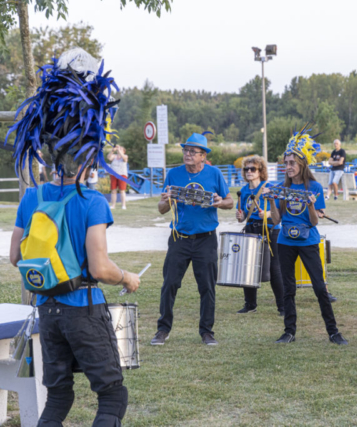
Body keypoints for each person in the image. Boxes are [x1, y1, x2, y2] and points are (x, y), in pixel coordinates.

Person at [7, 48, 140, 426]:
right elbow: (99, 266)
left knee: (59, 397)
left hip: (46, 311)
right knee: (113, 396)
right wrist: (127, 277)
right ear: (88, 152)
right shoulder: (93, 201)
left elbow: (16, 257)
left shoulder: (32, 196)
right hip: (83, 307)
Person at [266, 127, 348, 345]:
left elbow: (314, 222)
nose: (288, 167)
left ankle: (333, 332)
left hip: (309, 241)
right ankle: (289, 332)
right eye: (286, 163)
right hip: (285, 242)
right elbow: (275, 221)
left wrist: (311, 205)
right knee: (288, 288)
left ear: (302, 164)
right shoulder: (280, 187)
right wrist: (271, 200)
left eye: (292, 163)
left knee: (320, 288)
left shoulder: (314, 187)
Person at [151, 132, 233, 346]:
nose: (187, 154)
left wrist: (218, 202)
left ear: (203, 156)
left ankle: (207, 331)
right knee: (169, 283)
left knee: (206, 286)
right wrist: (166, 201)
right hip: (179, 237)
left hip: (206, 238)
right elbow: (161, 209)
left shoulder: (214, 174)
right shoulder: (173, 175)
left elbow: (230, 202)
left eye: (193, 151)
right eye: (185, 150)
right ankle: (162, 330)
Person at [235, 155, 285, 316]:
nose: (249, 171)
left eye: (253, 169)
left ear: (260, 171)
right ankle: (250, 304)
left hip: (270, 229)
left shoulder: (269, 187)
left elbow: (279, 212)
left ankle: (282, 306)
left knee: (274, 267)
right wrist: (240, 217)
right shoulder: (243, 191)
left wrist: (268, 213)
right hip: (251, 228)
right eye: (246, 169)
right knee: (247, 266)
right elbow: (243, 216)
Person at [107, 144, 128, 210]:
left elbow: (124, 159)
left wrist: (120, 151)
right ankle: (113, 205)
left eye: (121, 149)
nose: (119, 149)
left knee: (122, 190)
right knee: (113, 191)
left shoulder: (125, 156)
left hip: (122, 175)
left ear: (124, 151)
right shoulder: (114, 156)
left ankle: (123, 205)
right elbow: (108, 157)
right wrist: (112, 151)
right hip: (113, 175)